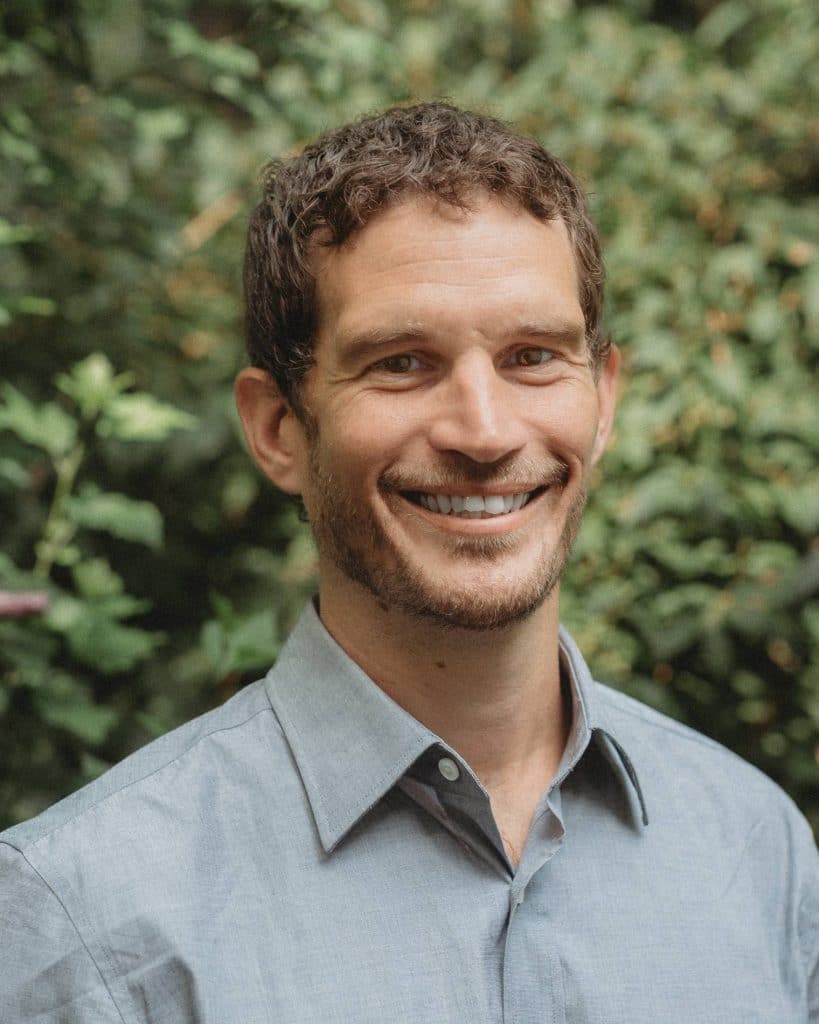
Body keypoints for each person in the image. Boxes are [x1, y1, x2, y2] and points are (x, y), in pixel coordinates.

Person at [1, 102, 816, 1023]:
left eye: (533, 356)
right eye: (399, 363)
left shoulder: (756, 847)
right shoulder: (83, 920)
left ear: (603, 399)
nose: (484, 431)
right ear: (277, 430)